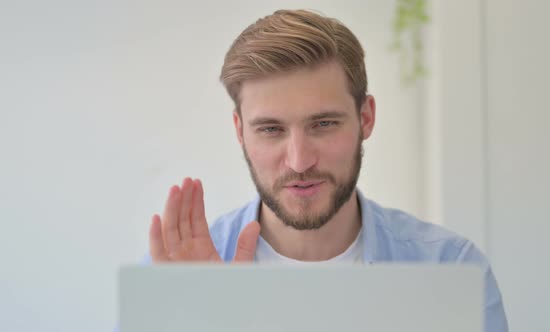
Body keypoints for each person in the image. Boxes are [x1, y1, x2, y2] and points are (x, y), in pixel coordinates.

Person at [146, 9, 509, 332]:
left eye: (323, 124)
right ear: (240, 131)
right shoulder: (177, 276)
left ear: (365, 118)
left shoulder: (449, 271)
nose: (300, 161)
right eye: (271, 129)